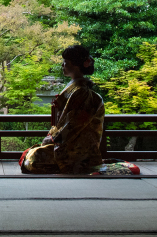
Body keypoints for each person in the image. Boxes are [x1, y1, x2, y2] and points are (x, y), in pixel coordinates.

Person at [20, 45, 139, 176]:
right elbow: (63, 121)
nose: (62, 65)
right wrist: (51, 136)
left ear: (75, 65)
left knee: (35, 157)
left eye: (66, 62)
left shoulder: (83, 93)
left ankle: (79, 163)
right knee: (33, 153)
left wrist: (54, 139)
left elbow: (73, 124)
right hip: (68, 143)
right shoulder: (76, 89)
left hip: (79, 147)